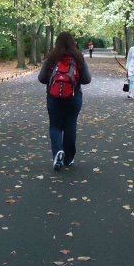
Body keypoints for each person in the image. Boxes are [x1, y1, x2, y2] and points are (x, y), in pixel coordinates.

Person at [38, 31, 92, 171]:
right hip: (74, 97)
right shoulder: (78, 57)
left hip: (53, 97)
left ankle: (57, 152)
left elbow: (41, 78)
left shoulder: (52, 57)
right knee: (70, 125)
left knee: (55, 125)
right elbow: (87, 79)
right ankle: (68, 158)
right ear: (73, 42)